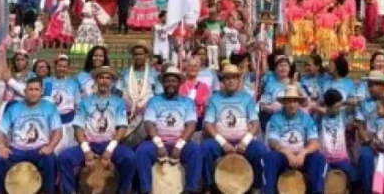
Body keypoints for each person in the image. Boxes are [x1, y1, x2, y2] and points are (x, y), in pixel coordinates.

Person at [59, 66, 136, 194]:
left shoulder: (119, 102)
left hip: (110, 143)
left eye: (108, 78)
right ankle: (70, 191)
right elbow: (78, 128)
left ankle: (122, 191)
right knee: (64, 158)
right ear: (96, 80)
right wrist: (86, 150)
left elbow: (122, 128)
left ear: (112, 82)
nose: (104, 81)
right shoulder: (85, 102)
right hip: (90, 144)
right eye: (101, 77)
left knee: (130, 158)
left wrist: (109, 149)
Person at [136, 65, 204, 194]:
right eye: (167, 81)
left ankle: (191, 189)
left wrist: (179, 145)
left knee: (196, 151)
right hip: (157, 142)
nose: (170, 84)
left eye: (174, 81)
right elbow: (149, 123)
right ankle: (146, 190)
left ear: (179, 83)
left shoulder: (187, 102)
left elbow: (191, 125)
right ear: (163, 83)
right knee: (142, 151)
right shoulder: (154, 101)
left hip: (180, 142)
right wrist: (159, 144)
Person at [202, 63, 268, 193]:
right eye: (227, 78)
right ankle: (207, 187)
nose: (231, 81)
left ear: (239, 80)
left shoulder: (246, 98)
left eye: (234, 77)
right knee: (204, 148)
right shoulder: (214, 99)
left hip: (243, 141)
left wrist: (245, 141)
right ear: (223, 81)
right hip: (220, 142)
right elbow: (208, 124)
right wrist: (223, 142)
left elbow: (255, 123)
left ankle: (256, 187)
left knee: (261, 150)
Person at [0, 77, 61, 194]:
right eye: (30, 89)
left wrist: (50, 147)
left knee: (51, 159)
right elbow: (0, 131)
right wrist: (1, 146)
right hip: (17, 149)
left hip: (39, 149)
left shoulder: (50, 108)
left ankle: (49, 191)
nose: (33, 92)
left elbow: (57, 131)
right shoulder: (14, 108)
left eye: (36, 89)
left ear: (41, 91)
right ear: (25, 92)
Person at [263, 84, 325, 194]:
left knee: (319, 158)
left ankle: (317, 192)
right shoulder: (276, 118)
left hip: (302, 156)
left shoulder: (307, 118)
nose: (292, 104)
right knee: (270, 157)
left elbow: (315, 143)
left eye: (295, 101)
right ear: (284, 103)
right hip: (283, 156)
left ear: (299, 103)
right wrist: (287, 153)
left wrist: (303, 153)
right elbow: (272, 141)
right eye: (289, 101)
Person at [317, 89, 356, 185]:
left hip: (341, 158)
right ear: (327, 106)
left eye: (340, 106)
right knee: (326, 182)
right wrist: (321, 108)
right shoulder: (320, 117)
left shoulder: (341, 115)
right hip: (324, 159)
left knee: (354, 179)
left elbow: (355, 102)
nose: (339, 109)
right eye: (336, 107)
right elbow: (311, 106)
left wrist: (342, 102)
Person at [45, 54, 81, 154]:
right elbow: (44, 102)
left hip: (69, 123)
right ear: (55, 66)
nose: (62, 69)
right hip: (52, 123)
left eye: (64, 66)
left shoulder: (73, 84)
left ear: (68, 68)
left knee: (67, 151)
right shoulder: (47, 82)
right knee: (54, 151)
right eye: (59, 66)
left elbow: (78, 105)